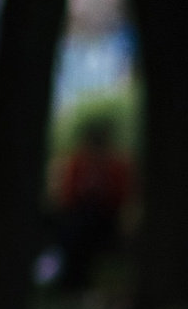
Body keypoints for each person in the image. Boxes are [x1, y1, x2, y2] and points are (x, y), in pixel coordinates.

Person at [52, 115, 134, 290]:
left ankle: (73, 282)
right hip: (78, 214)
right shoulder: (78, 162)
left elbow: (120, 197)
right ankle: (66, 280)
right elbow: (67, 194)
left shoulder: (117, 165)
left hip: (105, 217)